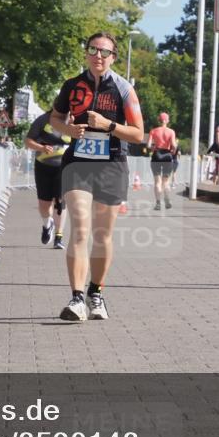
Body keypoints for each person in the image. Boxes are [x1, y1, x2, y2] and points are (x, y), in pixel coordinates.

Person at [51, 32, 144, 321]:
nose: (98, 56)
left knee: (102, 234)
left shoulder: (124, 88)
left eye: (104, 52)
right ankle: (76, 298)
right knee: (80, 227)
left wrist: (109, 124)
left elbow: (139, 134)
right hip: (78, 162)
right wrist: (68, 131)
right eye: (93, 50)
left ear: (113, 57)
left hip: (111, 164)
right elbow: (55, 118)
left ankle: (96, 293)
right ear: (86, 53)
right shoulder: (72, 86)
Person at [24, 111, 70, 249]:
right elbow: (27, 141)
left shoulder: (74, 121)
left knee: (60, 201)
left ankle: (58, 236)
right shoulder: (43, 120)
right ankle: (47, 225)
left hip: (64, 167)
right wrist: (41, 147)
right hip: (43, 166)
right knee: (44, 204)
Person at [147, 112, 177, 210]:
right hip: (167, 156)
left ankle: (158, 203)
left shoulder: (153, 131)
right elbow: (174, 144)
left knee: (157, 181)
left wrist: (153, 148)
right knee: (166, 182)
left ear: (159, 120)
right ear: (167, 120)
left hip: (156, 155)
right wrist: (174, 151)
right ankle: (167, 200)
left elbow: (148, 145)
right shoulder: (171, 132)